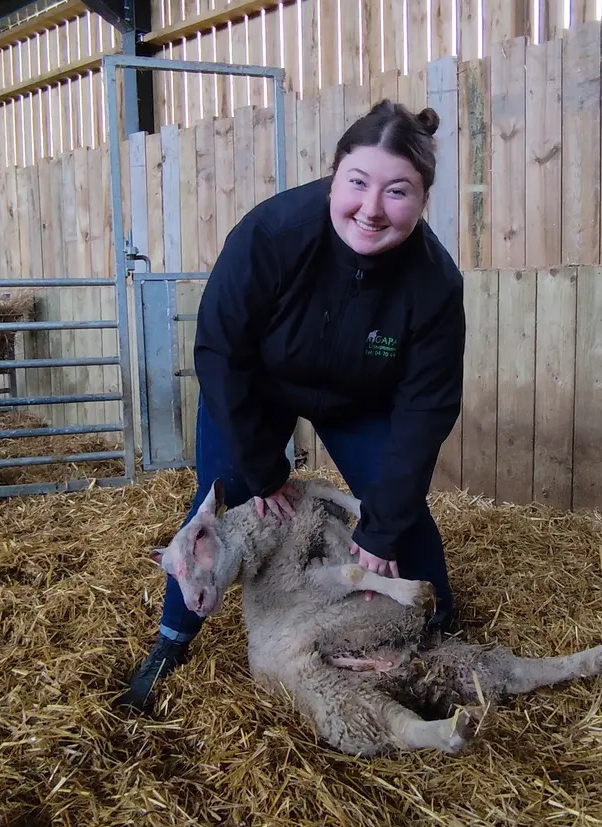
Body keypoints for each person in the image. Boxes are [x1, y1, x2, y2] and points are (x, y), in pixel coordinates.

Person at [114, 99, 466, 713]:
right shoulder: (273, 235)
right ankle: (172, 640)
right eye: (357, 183)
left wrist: (380, 527)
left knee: (397, 509)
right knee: (219, 501)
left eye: (398, 192)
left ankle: (444, 627)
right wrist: (263, 468)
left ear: (423, 197)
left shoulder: (433, 281)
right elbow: (221, 351)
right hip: (259, 387)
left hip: (360, 398)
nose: (372, 209)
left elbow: (426, 408)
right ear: (335, 176)